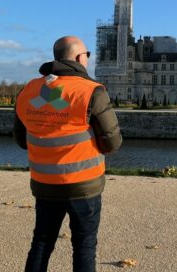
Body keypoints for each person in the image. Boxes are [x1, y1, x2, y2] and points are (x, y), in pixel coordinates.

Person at [13, 36, 122, 272]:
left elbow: (22, 141)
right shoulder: (91, 91)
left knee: (41, 242)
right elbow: (112, 142)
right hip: (83, 186)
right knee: (84, 246)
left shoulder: (29, 90)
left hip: (44, 184)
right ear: (80, 58)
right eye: (88, 55)